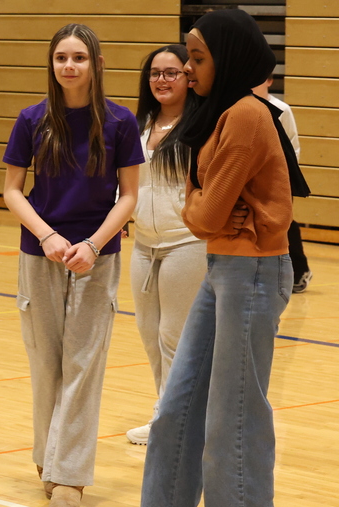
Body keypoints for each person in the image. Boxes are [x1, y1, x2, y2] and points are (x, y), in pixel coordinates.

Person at [107, 9, 309, 507]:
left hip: (249, 273)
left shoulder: (247, 115)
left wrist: (201, 201)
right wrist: (204, 202)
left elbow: (202, 214)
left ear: (227, 57)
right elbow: (206, 208)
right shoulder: (221, 113)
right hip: (224, 267)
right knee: (177, 409)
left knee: (234, 423)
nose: (187, 70)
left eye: (196, 59)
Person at [2, 24, 144, 507]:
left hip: (95, 256)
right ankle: (49, 459)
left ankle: (70, 478)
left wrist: (93, 243)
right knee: (47, 363)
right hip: (39, 252)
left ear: (96, 64)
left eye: (79, 58)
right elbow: (13, 191)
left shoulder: (121, 122)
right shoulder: (32, 119)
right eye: (61, 57)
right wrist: (48, 236)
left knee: (84, 367)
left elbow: (128, 196)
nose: (69, 66)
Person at [125, 45, 204, 446]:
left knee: (174, 336)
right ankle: (165, 412)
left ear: (188, 78)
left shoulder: (200, 125)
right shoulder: (138, 124)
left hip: (186, 244)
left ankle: (175, 424)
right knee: (149, 333)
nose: (162, 80)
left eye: (171, 72)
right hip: (142, 246)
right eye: (155, 73)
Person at [253, 76, 312, 293]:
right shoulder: (238, 106)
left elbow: (292, 147)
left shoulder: (281, 109)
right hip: (250, 180)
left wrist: (281, 178)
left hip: (277, 179)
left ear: (268, 80)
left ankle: (299, 270)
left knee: (283, 224)